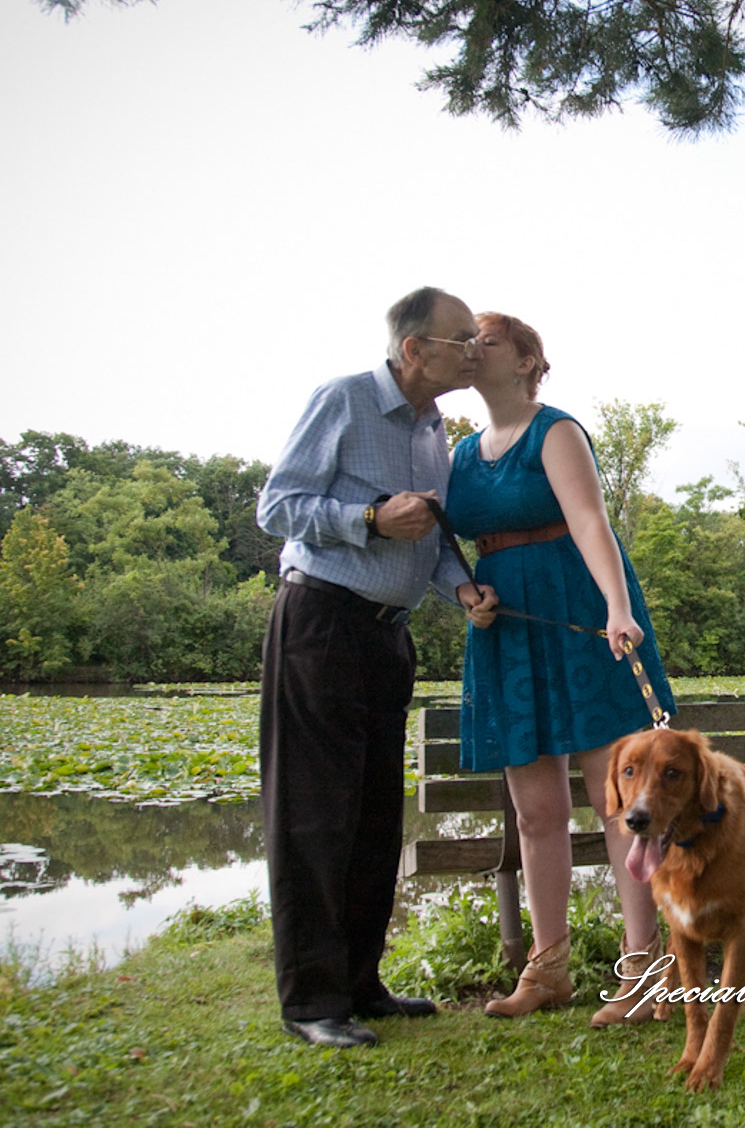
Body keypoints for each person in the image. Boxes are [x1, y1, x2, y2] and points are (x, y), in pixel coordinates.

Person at [256, 287, 498, 1049]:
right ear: (414, 349)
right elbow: (277, 505)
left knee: (370, 818)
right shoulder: (345, 400)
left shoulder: (436, 433)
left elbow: (425, 543)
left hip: (386, 639)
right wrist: (366, 518)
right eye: (461, 337)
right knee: (313, 816)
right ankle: (311, 1002)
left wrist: (459, 587)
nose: (473, 346)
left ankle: (360, 982)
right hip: (320, 623)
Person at [445, 311, 675, 1025]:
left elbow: (590, 522)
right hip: (507, 628)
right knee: (536, 810)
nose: (470, 349)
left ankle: (647, 970)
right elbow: (451, 542)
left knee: (615, 801)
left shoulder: (558, 430)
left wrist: (617, 607)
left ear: (525, 360)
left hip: (581, 614)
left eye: (485, 339)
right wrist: (467, 591)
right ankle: (547, 969)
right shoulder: (459, 453)